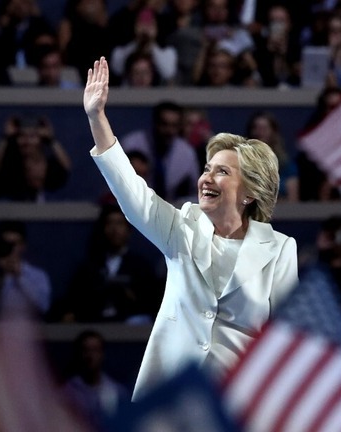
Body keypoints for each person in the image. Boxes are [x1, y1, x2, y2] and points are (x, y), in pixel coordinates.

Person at [83, 57, 299, 400]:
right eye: (206, 168)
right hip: (170, 401)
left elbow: (287, 339)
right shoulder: (183, 227)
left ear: (250, 192)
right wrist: (97, 118)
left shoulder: (280, 248)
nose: (206, 179)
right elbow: (131, 192)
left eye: (222, 172)